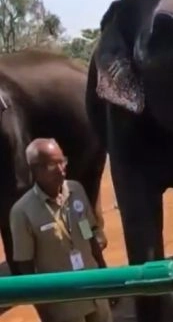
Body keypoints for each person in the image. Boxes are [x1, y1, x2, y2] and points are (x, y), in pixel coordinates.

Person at [9, 138, 113, 322]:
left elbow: (87, 231)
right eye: (52, 165)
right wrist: (43, 306)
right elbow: (26, 265)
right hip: (64, 304)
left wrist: (104, 275)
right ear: (35, 170)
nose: (61, 169)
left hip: (94, 291)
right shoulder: (22, 212)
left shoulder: (76, 190)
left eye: (62, 161)